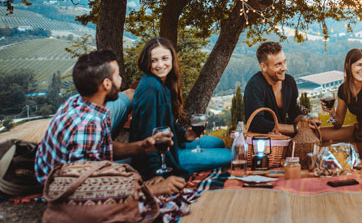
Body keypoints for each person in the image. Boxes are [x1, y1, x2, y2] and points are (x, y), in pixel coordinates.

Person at [35, 50, 186, 195]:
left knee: (134, 167)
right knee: (138, 173)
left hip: (72, 170)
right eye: (118, 75)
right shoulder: (88, 125)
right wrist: (152, 189)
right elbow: (82, 186)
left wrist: (143, 146)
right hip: (58, 185)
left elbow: (104, 147)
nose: (121, 79)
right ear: (107, 84)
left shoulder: (80, 103)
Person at [129, 38, 231, 180]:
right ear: (147, 62)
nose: (160, 65)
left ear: (172, 59)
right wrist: (154, 174)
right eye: (154, 60)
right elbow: (147, 134)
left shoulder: (163, 84)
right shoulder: (150, 89)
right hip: (164, 156)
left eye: (165, 58)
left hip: (173, 143)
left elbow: (167, 122)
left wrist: (185, 135)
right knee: (229, 155)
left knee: (217, 142)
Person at [244, 41, 310, 136]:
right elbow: (256, 123)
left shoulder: (289, 82)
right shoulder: (255, 86)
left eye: (284, 62)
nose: (284, 68)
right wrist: (294, 129)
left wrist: (305, 121)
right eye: (278, 65)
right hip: (264, 143)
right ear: (264, 67)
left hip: (285, 138)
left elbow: (293, 111)